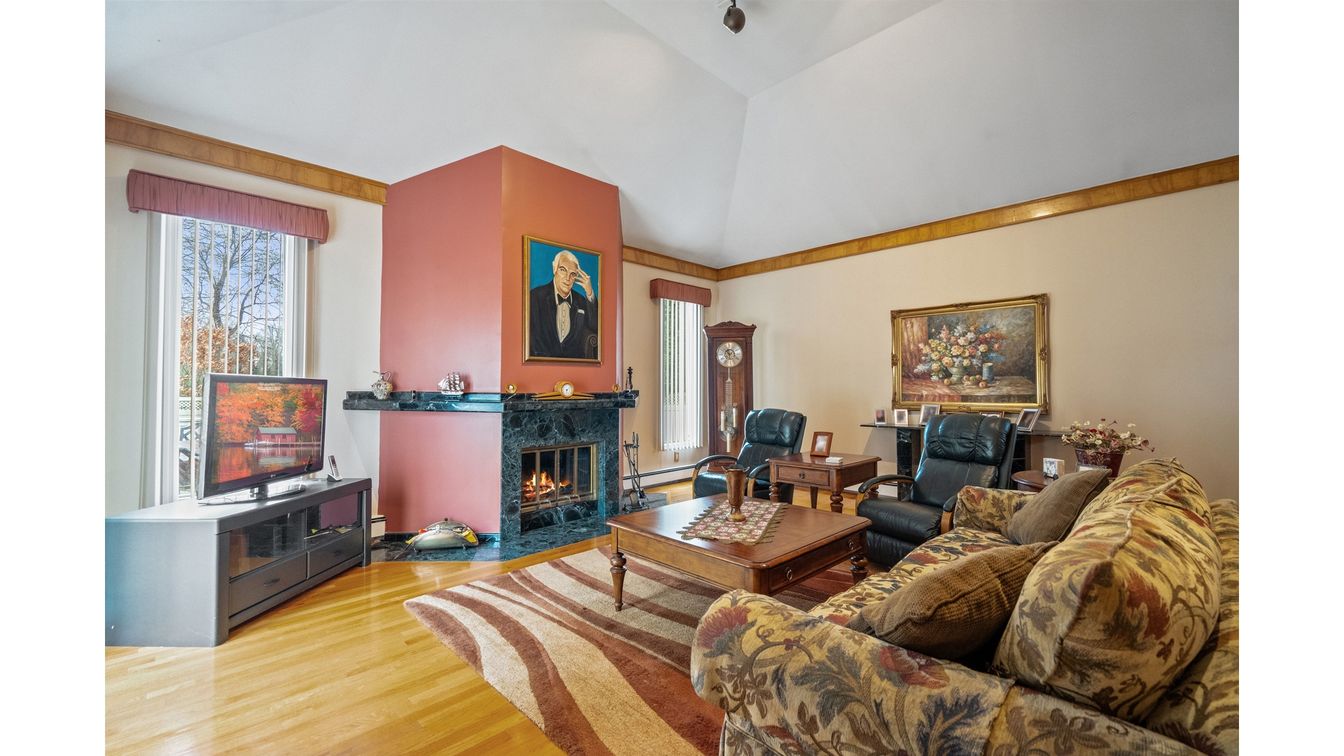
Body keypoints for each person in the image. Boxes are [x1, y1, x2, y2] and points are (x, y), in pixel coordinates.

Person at [528, 249, 598, 359]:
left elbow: (595, 327)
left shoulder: (581, 301)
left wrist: (589, 292)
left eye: (573, 274)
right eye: (563, 270)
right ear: (554, 269)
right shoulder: (535, 297)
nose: (567, 278)